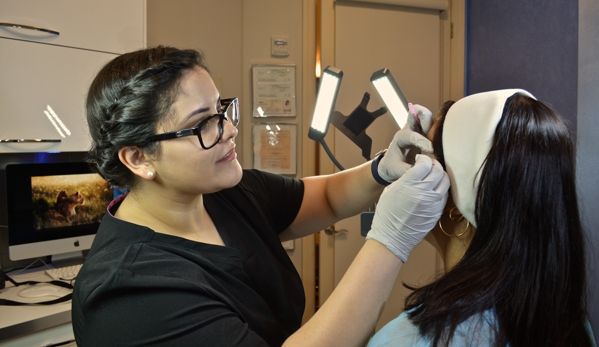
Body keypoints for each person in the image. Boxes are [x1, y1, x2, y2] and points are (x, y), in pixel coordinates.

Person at [72, 45, 449, 346]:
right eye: (202, 124)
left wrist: (380, 169)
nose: (229, 129)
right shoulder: (131, 292)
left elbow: (329, 198)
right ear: (138, 158)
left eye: (222, 110)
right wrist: (390, 240)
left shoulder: (226, 192)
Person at [367, 89, 597, 346]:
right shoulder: (570, 323)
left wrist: (385, 240)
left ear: (458, 208)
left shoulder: (411, 340)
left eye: (423, 162)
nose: (408, 174)